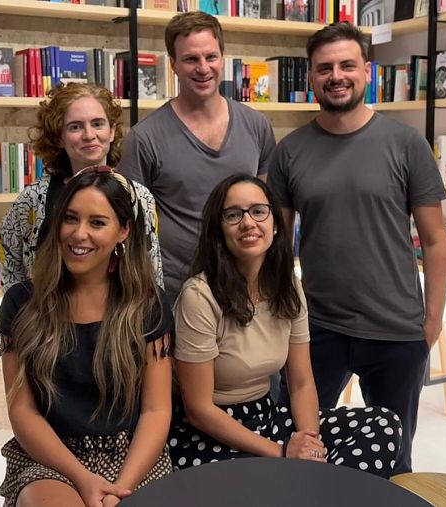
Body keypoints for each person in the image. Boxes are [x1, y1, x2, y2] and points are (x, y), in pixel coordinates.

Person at [268, 22, 446, 475]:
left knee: (393, 460)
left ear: (367, 71)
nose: (336, 76)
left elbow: (435, 240)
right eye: (324, 68)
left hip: (395, 330)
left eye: (347, 65)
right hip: (316, 329)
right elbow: (274, 246)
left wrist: (431, 322)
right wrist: (278, 318)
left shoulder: (406, 143)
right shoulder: (289, 151)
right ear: (311, 77)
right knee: (300, 448)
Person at [168, 174, 403, 478]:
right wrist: (281, 452)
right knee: (260, 482)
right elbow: (199, 410)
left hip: (267, 416)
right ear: (218, 229)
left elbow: (301, 382)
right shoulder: (199, 296)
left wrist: (310, 445)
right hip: (210, 433)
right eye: (233, 215)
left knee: (383, 424)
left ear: (276, 223)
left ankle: (308, 487)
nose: (248, 222)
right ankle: (307, 489)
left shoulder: (288, 285)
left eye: (258, 211)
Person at [0, 167, 174, 507]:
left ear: (123, 231)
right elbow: (23, 411)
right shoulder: (21, 303)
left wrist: (119, 490)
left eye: (97, 223)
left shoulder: (148, 303)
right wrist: (83, 479)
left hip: (133, 458)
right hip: (52, 460)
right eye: (71, 219)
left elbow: (156, 410)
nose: (79, 234)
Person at [118, 11, 276, 304]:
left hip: (246, 288)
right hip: (175, 295)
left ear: (222, 58)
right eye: (191, 59)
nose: (203, 68)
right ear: (173, 65)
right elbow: (130, 226)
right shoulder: (145, 138)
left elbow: (263, 210)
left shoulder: (257, 126)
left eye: (211, 57)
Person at [0, 82, 163, 292]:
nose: (89, 135)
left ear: (112, 131)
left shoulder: (139, 196)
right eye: (75, 127)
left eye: (98, 124)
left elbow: (151, 267)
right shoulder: (33, 198)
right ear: (59, 137)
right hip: (47, 309)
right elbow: (6, 250)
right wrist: (20, 302)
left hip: (121, 311)